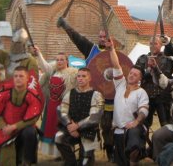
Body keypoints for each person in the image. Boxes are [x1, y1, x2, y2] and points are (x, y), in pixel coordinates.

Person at [57, 17, 115, 160]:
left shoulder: (115, 53)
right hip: (90, 95)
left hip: (108, 96)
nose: (102, 39)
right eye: (100, 36)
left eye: (104, 37)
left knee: (107, 126)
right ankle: (85, 152)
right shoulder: (91, 49)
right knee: (88, 124)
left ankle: (110, 151)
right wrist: (66, 26)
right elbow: (78, 38)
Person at [105, 37, 149, 166]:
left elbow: (144, 110)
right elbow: (116, 65)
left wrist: (136, 122)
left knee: (133, 152)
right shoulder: (120, 84)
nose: (131, 75)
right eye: (131, 73)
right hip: (118, 131)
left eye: (135, 75)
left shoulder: (142, 92)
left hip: (133, 130)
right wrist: (112, 49)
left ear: (140, 79)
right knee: (121, 162)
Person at [0, 66, 43, 166]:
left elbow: (33, 118)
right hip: (6, 130)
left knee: (30, 132)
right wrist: (3, 126)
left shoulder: (32, 95)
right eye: (16, 76)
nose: (18, 78)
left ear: (27, 78)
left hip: (23, 129)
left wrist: (14, 127)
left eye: (21, 76)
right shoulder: (4, 92)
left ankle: (27, 162)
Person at [34, 46, 78, 157]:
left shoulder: (72, 74)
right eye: (57, 59)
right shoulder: (53, 72)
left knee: (62, 130)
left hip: (64, 107)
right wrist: (39, 53)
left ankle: (65, 154)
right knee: (51, 129)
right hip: (52, 105)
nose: (59, 61)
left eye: (62, 59)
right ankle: (56, 154)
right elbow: (44, 66)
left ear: (67, 61)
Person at [55, 67, 104, 166]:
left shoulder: (97, 95)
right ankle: (71, 162)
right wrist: (69, 125)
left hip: (89, 131)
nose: (80, 78)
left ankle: (87, 158)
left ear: (89, 78)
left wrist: (77, 126)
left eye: (83, 76)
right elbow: (62, 110)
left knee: (85, 162)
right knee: (58, 137)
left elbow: (94, 117)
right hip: (71, 128)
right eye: (78, 76)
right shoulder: (70, 93)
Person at [135, 35, 173, 128]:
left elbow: (165, 79)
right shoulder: (143, 58)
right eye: (151, 43)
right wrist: (147, 70)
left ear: (161, 45)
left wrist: (155, 68)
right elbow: (137, 75)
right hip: (146, 96)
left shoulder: (168, 60)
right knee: (143, 125)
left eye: (155, 43)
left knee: (166, 125)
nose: (153, 45)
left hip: (162, 96)